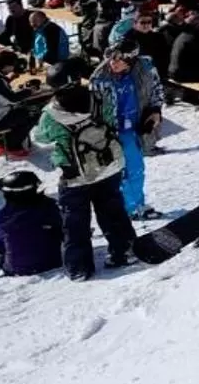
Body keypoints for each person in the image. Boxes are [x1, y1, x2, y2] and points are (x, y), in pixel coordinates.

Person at [32, 83, 140, 278]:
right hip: (107, 167)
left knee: (75, 222)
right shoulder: (99, 101)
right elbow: (111, 119)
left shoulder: (51, 116)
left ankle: (79, 267)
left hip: (76, 176)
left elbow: (40, 137)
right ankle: (125, 251)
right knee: (113, 211)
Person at [94, 27, 165, 221]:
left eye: (119, 60)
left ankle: (136, 205)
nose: (113, 63)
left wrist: (155, 111)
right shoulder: (100, 77)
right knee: (120, 172)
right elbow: (94, 110)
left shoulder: (146, 67)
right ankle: (126, 208)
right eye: (111, 58)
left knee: (136, 169)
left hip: (135, 126)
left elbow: (157, 91)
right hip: (113, 131)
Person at [0, 169, 65, 277]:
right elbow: (66, 229)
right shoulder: (50, 207)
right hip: (52, 263)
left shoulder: (1, 217)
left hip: (15, 270)